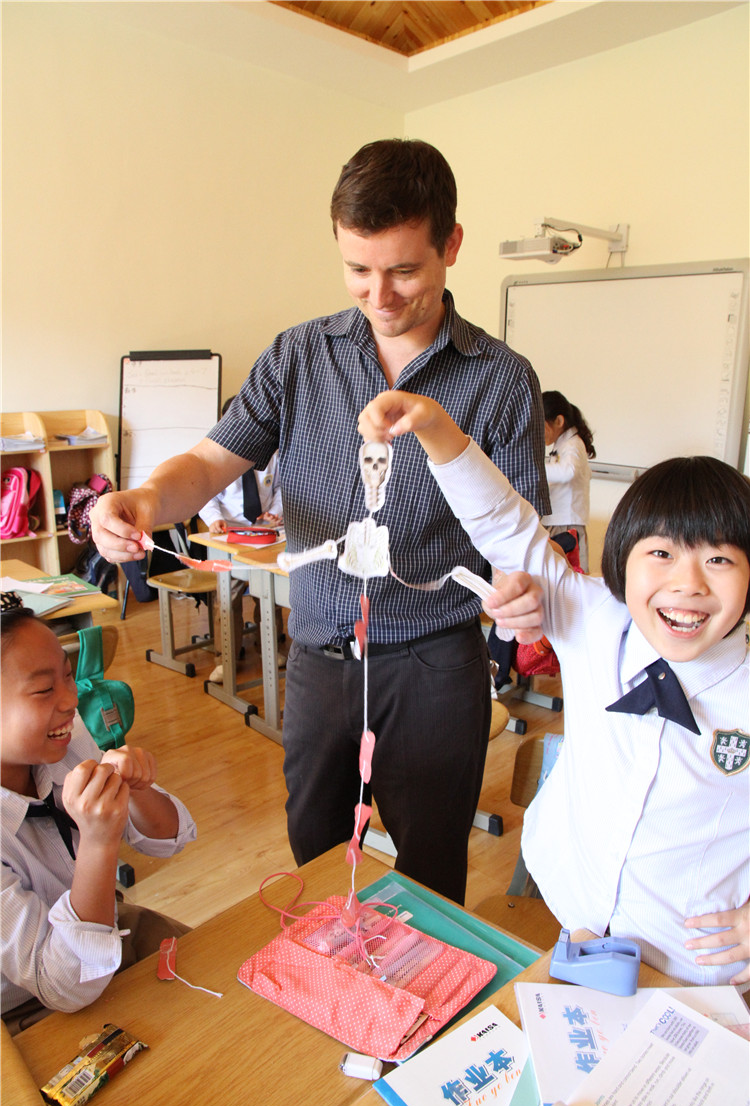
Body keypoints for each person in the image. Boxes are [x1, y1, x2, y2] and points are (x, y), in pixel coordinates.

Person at [90, 138, 549, 905]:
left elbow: (520, 536)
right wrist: (141, 501)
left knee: (431, 867)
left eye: (404, 270)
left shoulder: (500, 379)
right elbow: (207, 463)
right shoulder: (299, 356)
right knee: (316, 848)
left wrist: (521, 588)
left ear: (451, 245)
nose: (381, 295)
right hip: (319, 655)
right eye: (358, 269)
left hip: (435, 661)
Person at [357, 389, 750, 988]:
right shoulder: (595, 618)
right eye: (661, 553)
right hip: (571, 922)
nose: (687, 583)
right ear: (623, 561)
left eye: (719, 560)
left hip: (693, 967)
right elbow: (504, 524)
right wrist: (436, 429)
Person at [1, 599, 197, 1029]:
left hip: (104, 930)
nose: (71, 700)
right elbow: (62, 985)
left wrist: (137, 789)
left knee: (215, 975)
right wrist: (97, 842)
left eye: (68, 676)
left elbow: (172, 839)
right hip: (26, 1003)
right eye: (44, 689)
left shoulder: (62, 739)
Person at [198, 396, 285, 683]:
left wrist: (274, 513)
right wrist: (214, 519)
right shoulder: (217, 455)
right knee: (228, 597)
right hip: (229, 535)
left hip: (263, 532)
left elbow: (281, 488)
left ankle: (270, 649)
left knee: (268, 592)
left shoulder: (271, 452)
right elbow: (205, 494)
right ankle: (226, 659)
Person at [541, 390, 596, 572]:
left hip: (567, 522)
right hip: (555, 520)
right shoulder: (562, 445)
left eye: (541, 426)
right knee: (553, 573)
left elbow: (569, 471)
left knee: (574, 574)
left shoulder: (574, 443)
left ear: (559, 421)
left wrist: (535, 469)